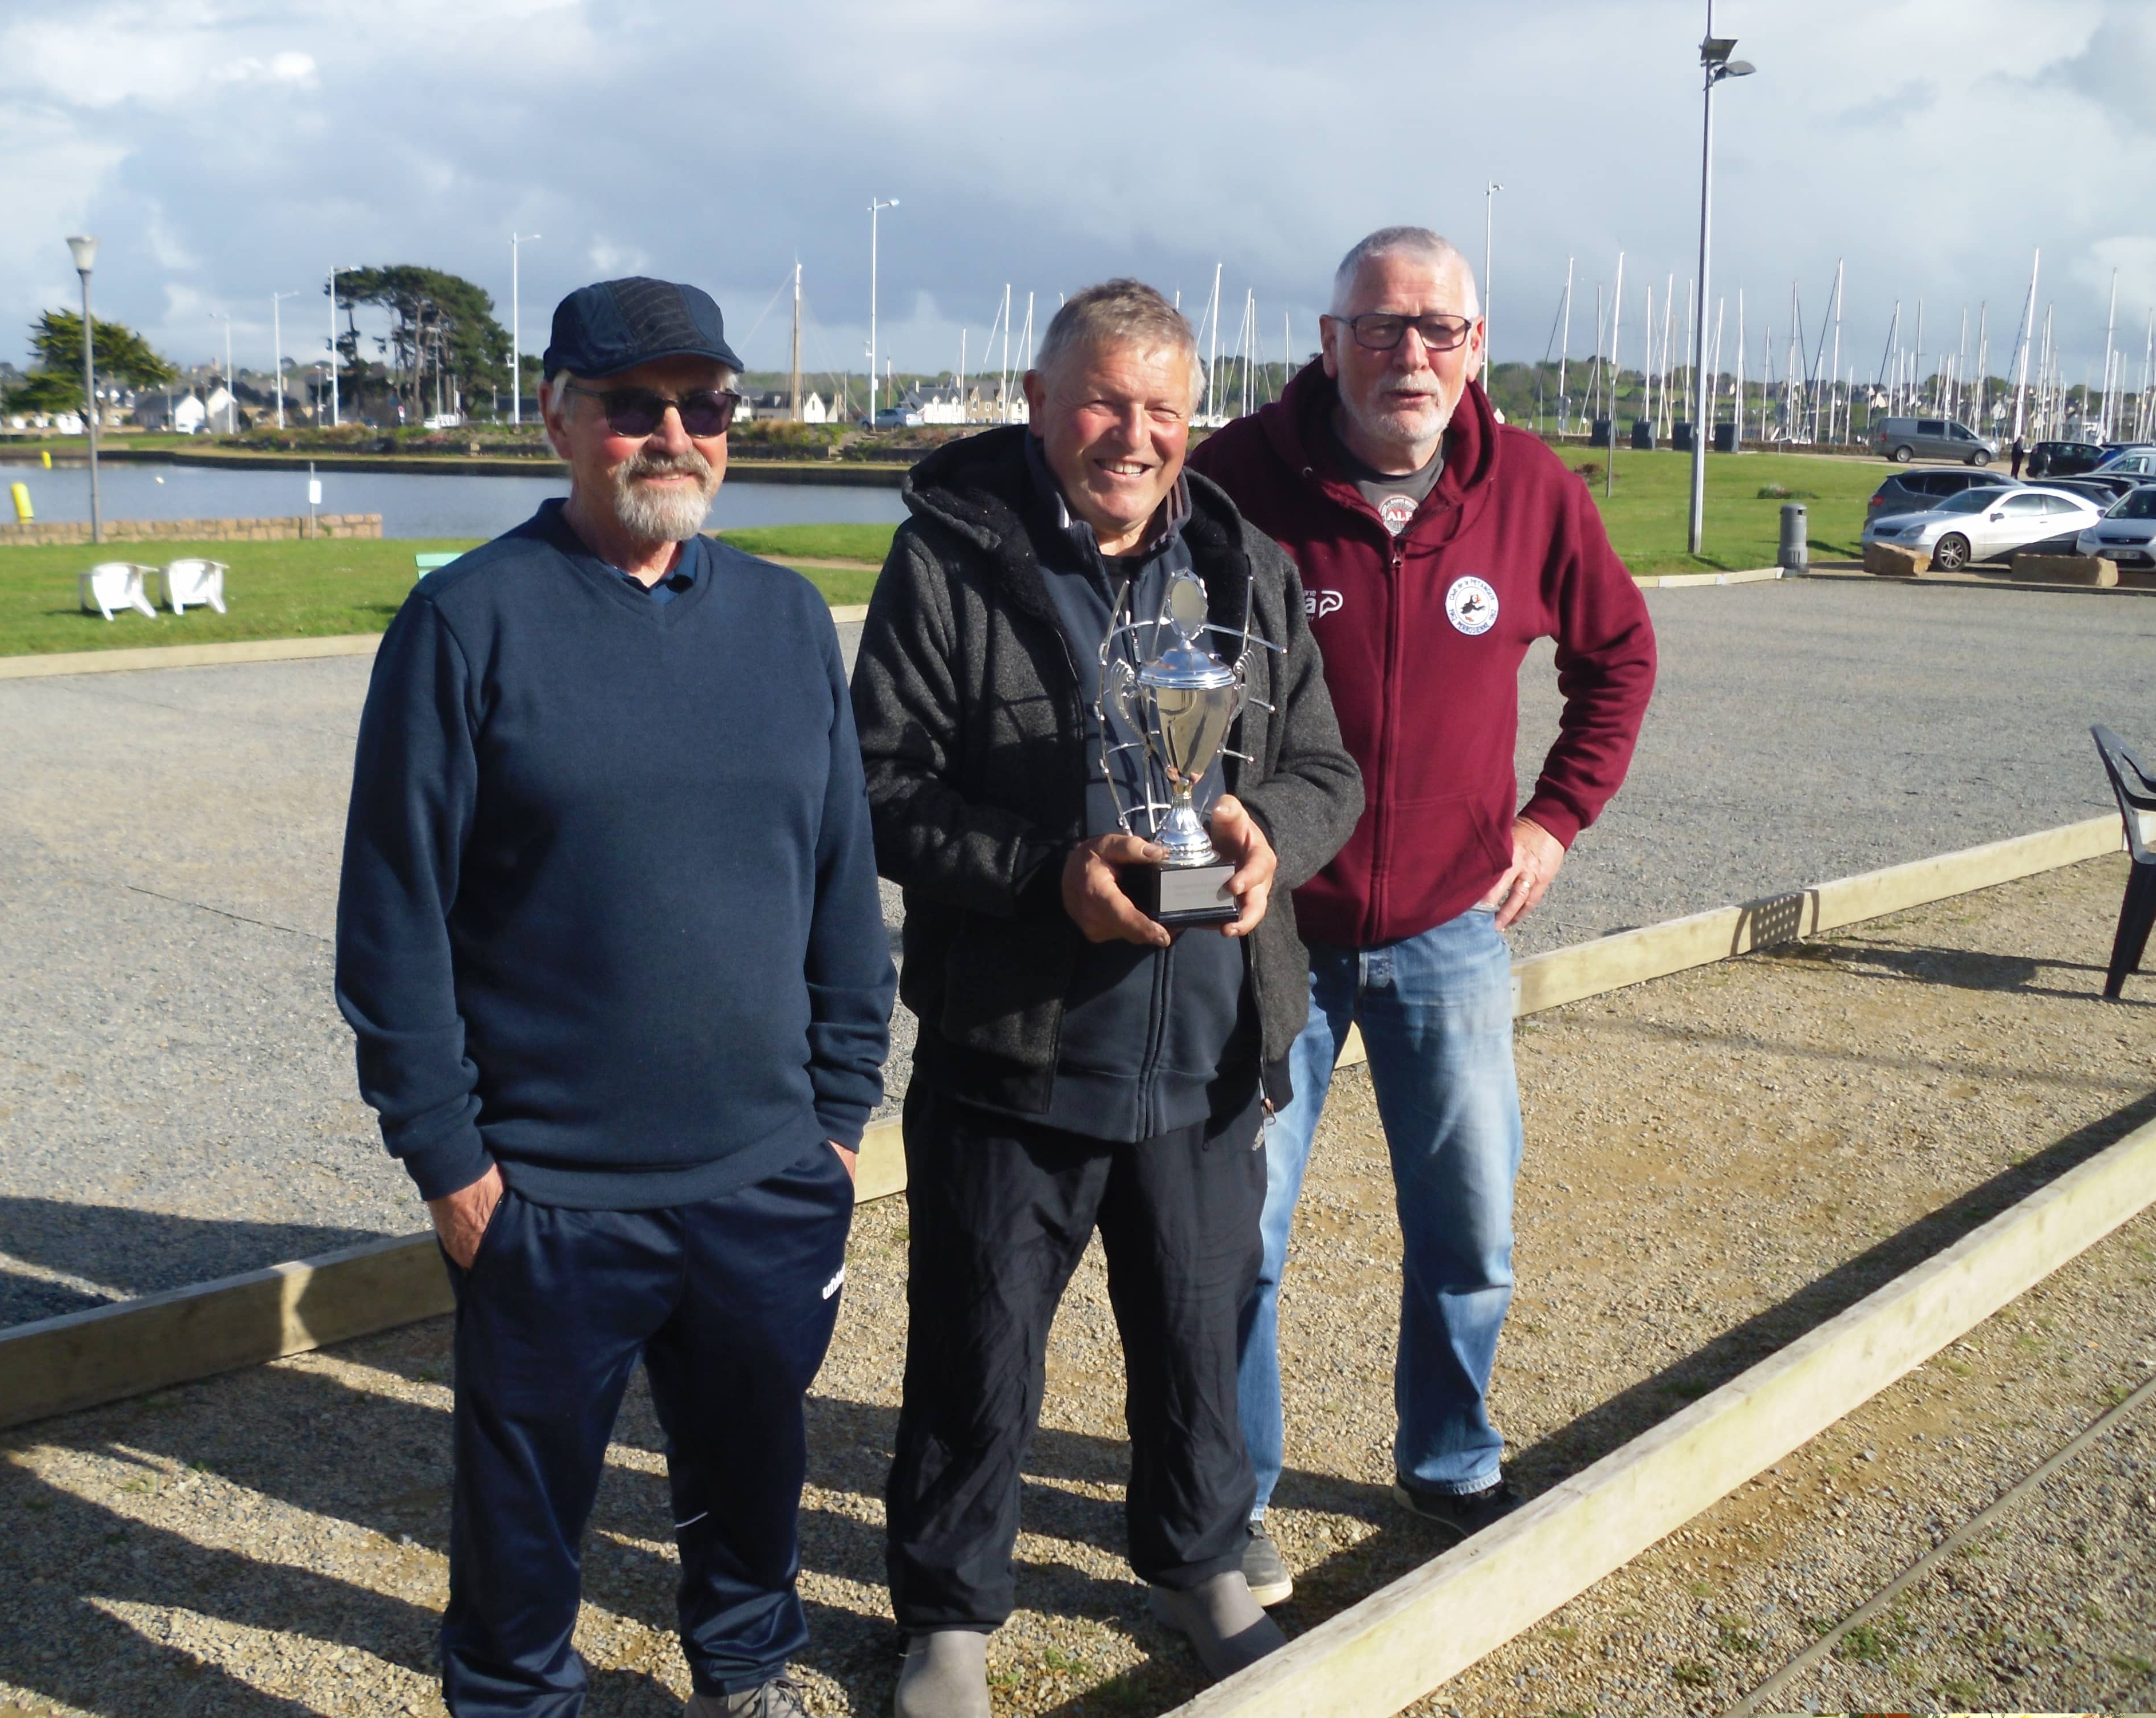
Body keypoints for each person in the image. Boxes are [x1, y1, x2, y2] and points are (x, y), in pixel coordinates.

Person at [335, 276, 897, 1718]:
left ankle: (747, 1663)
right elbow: (393, 922)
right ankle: (517, 1700)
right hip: (550, 1191)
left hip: (767, 1172)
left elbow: (840, 885)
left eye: (701, 408)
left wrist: (838, 1117)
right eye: (630, 406)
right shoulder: (467, 625)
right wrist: (451, 1165)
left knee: (753, 1464)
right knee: (523, 1515)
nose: (671, 436)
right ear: (557, 419)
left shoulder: (782, 619)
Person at [853, 279, 1362, 1717]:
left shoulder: (1244, 563)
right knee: (975, 1341)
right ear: (1035, 397)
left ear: (1189, 419)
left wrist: (1275, 834)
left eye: (1159, 408)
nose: (1129, 436)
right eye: (1099, 400)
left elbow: (1327, 770)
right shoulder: (952, 559)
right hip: (1014, 1048)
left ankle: (1198, 1562)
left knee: (1199, 1333)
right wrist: (1042, 874)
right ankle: (949, 1611)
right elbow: (877, 788)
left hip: (1203, 1047)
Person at [1188, 227, 1656, 1599]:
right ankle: (1234, 1498)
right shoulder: (1234, 482)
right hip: (1267, 931)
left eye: (1436, 329)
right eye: (1379, 326)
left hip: (1449, 930)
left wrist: (1551, 819)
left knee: (1468, 1226)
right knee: (1239, 1239)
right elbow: (1149, 667)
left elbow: (1616, 656)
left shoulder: (1528, 493)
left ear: (1474, 348)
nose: (1409, 353)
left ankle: (1448, 1457)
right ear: (1327, 339)